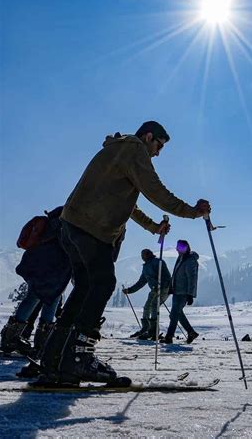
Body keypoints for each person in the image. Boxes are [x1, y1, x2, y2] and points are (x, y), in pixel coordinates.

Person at [39, 120, 210, 386]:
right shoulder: (134, 149)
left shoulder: (117, 150)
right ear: (149, 136)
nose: (158, 152)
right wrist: (191, 211)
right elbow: (155, 190)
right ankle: (78, 358)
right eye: (159, 145)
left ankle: (54, 357)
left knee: (85, 286)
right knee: (103, 283)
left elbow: (129, 206)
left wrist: (154, 227)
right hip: (92, 228)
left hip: (72, 225)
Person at [1, 206, 71, 362]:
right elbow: (68, 248)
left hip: (36, 265)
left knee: (34, 297)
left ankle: (10, 338)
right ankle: (42, 343)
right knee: (50, 300)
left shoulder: (51, 222)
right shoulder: (67, 224)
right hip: (54, 270)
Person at [122, 249, 171, 340]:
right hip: (154, 289)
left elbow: (166, 277)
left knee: (153, 306)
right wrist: (129, 290)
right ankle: (146, 328)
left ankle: (153, 331)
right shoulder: (146, 267)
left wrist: (161, 287)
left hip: (163, 288)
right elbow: (141, 282)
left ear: (148, 254)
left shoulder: (158, 262)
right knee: (147, 307)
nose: (142, 257)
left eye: (143, 255)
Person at [161, 240, 199, 344]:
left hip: (183, 292)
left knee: (174, 314)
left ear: (187, 248)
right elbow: (176, 274)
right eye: (178, 247)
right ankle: (191, 332)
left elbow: (192, 278)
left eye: (181, 248)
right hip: (177, 291)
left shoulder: (190, 260)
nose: (179, 250)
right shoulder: (181, 258)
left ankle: (169, 337)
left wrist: (190, 294)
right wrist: (171, 287)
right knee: (177, 314)